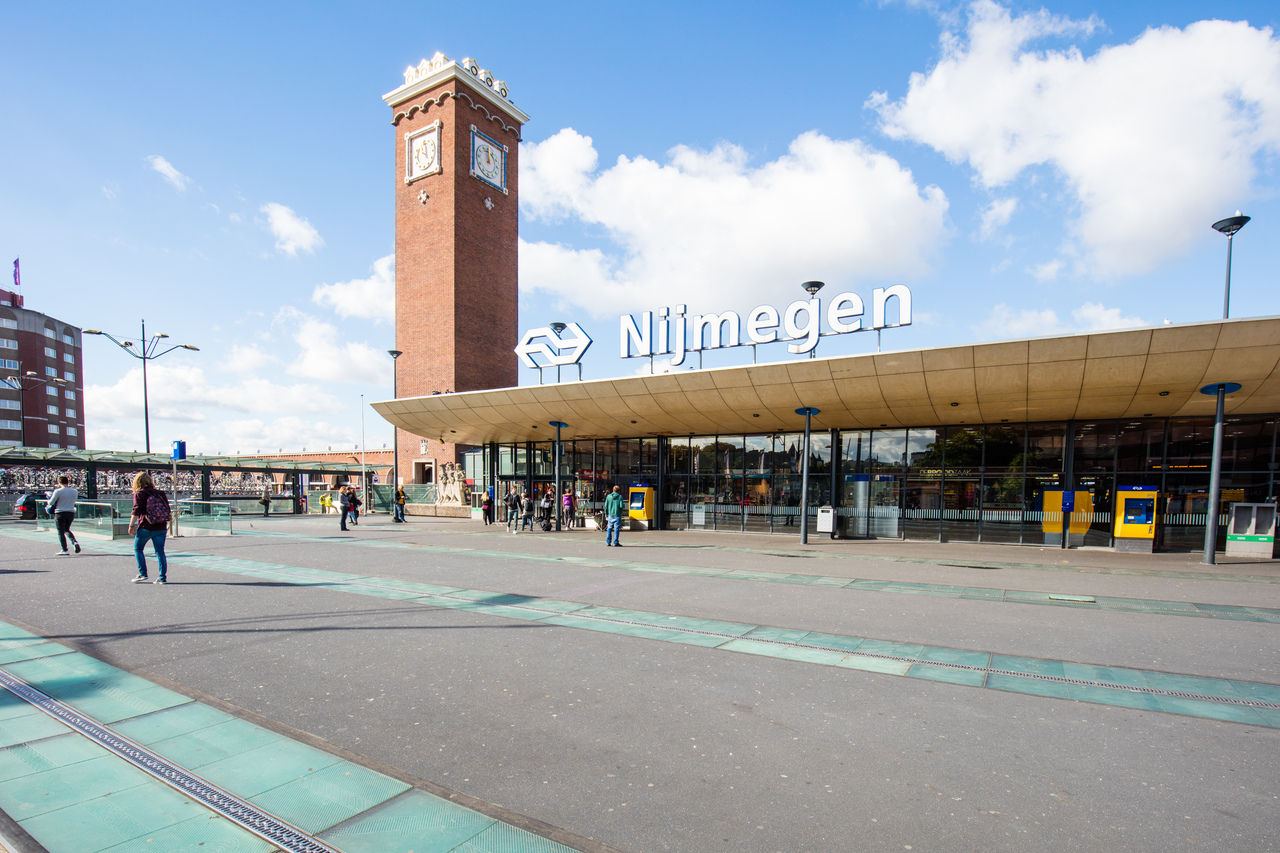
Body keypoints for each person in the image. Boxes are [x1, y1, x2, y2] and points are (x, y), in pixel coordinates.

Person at [129, 472, 170, 584]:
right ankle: (162, 577)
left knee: (138, 549)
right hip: (161, 526)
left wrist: (131, 525)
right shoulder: (160, 493)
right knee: (160, 552)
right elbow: (167, 509)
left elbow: (136, 510)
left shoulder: (139, 494)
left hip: (145, 526)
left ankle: (143, 574)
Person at [46, 474, 80, 555]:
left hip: (60, 512)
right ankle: (74, 542)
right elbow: (74, 500)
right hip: (71, 512)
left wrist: (48, 502)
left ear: (59, 482)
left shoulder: (58, 491)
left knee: (60, 532)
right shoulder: (74, 491)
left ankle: (64, 549)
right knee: (67, 529)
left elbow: (51, 502)